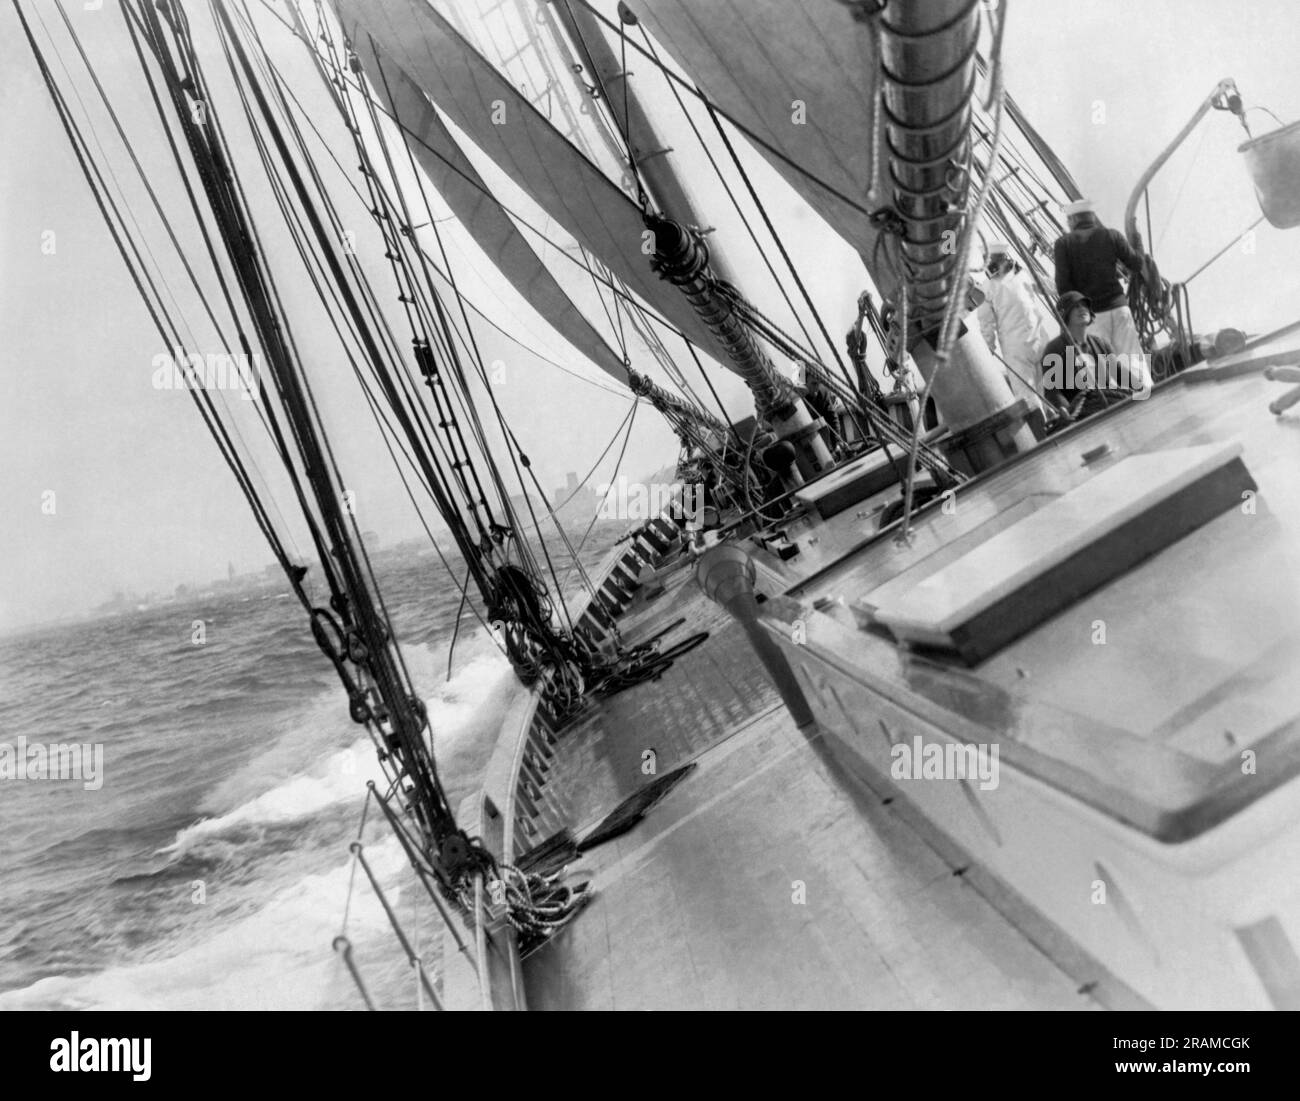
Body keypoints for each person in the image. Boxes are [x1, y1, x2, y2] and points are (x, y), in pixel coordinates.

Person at [1052, 199, 1146, 361]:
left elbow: (1063, 288)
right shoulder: (1112, 235)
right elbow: (1137, 264)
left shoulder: (1063, 244)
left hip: (1093, 318)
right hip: (1120, 310)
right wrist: (1137, 239)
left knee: (1104, 372)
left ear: (1073, 220)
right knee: (1134, 362)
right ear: (1092, 217)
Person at [975, 242, 1054, 408]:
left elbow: (1049, 286)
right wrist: (988, 346)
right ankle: (1046, 424)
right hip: (1022, 345)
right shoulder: (989, 287)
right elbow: (986, 323)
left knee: (1043, 390)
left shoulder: (1021, 275)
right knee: (1034, 393)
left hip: (1034, 341)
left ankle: (1054, 421)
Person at [1038, 291, 1117, 424]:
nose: (1082, 309)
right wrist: (1066, 410)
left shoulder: (1101, 344)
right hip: (1084, 416)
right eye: (1075, 306)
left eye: (1084, 305)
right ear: (1065, 315)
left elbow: (1119, 374)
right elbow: (1052, 391)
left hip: (1113, 404)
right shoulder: (1054, 349)